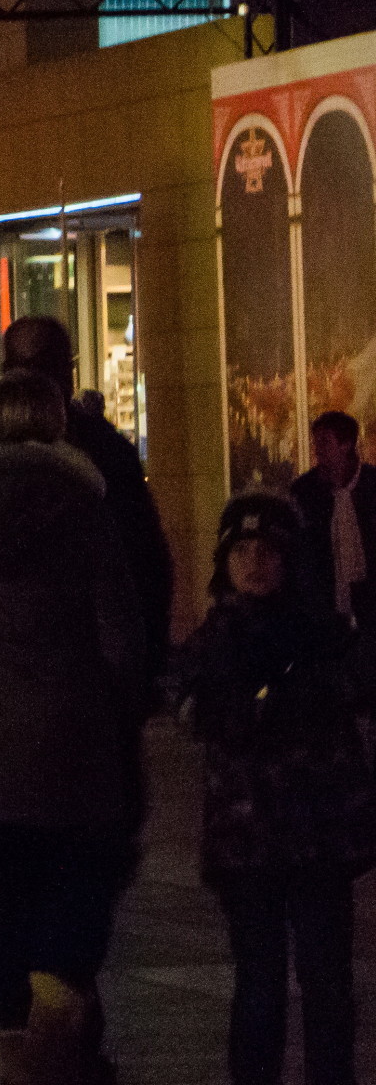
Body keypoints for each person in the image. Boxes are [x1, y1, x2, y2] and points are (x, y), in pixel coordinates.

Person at [0, 370, 145, 1084]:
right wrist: (126, 705)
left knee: (12, 896)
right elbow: (118, 629)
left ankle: (16, 1053)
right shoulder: (83, 506)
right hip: (72, 727)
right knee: (75, 897)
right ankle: (58, 1049)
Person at [175, 493, 376, 1085]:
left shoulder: (323, 636)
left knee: (326, 982)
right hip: (249, 844)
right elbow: (198, 708)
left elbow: (344, 696)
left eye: (269, 550)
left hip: (318, 839)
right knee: (259, 981)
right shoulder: (214, 640)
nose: (255, 561)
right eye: (242, 549)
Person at [2, 317, 174, 694]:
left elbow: (145, 560)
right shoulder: (105, 451)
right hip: (81, 675)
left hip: (36, 678)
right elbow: (146, 561)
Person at [289, 410, 376, 628]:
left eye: (324, 442)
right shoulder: (304, 491)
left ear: (346, 444)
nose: (317, 450)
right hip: (322, 608)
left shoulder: (372, 485)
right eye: (315, 443)